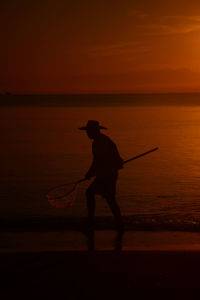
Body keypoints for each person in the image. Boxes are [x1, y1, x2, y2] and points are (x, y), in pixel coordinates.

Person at [78, 120, 124, 239]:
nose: (87, 133)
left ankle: (92, 222)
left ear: (94, 131)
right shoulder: (101, 141)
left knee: (93, 194)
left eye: (88, 131)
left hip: (107, 175)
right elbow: (105, 160)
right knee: (108, 198)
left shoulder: (101, 142)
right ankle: (119, 224)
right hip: (106, 174)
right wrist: (92, 172)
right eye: (87, 131)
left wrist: (90, 172)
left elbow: (100, 160)